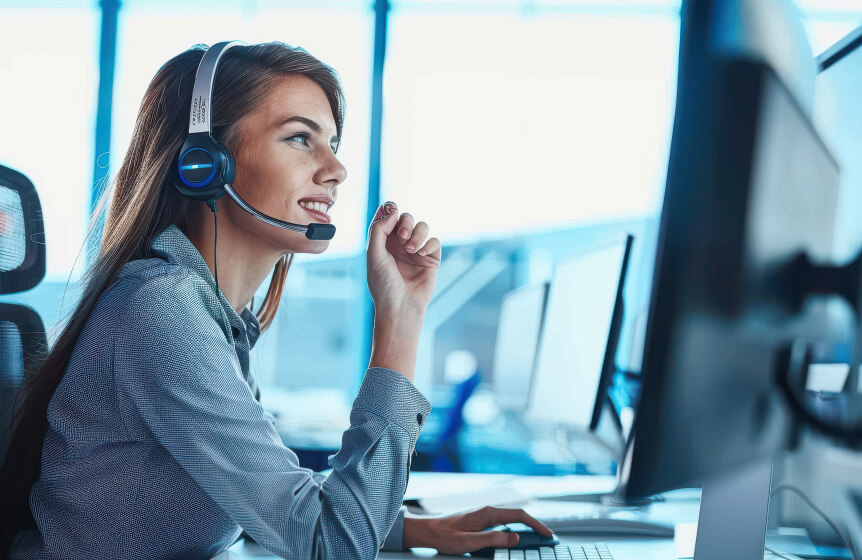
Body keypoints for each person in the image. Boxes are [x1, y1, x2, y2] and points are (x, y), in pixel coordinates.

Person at [0, 42, 552, 559]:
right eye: (298, 138)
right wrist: (399, 322)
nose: (335, 170)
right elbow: (330, 543)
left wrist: (415, 528)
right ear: (204, 163)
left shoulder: (216, 315)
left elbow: (272, 501)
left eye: (331, 144)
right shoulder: (161, 310)